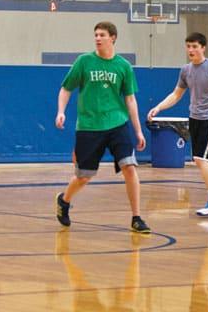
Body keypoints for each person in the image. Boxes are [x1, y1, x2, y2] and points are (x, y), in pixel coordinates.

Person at [54, 21, 149, 233]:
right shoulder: (84, 61)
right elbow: (66, 89)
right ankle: (64, 201)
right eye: (95, 34)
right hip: (89, 125)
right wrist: (61, 111)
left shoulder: (123, 66)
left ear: (113, 38)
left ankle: (136, 217)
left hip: (117, 123)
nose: (98, 38)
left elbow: (130, 100)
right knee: (84, 176)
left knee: (129, 167)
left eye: (102, 34)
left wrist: (138, 130)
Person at [147, 32, 208, 217]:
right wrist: (159, 107)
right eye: (188, 46)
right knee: (207, 163)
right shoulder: (186, 70)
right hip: (194, 118)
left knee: (201, 160)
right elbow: (176, 94)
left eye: (195, 46)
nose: (191, 50)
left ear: (203, 47)